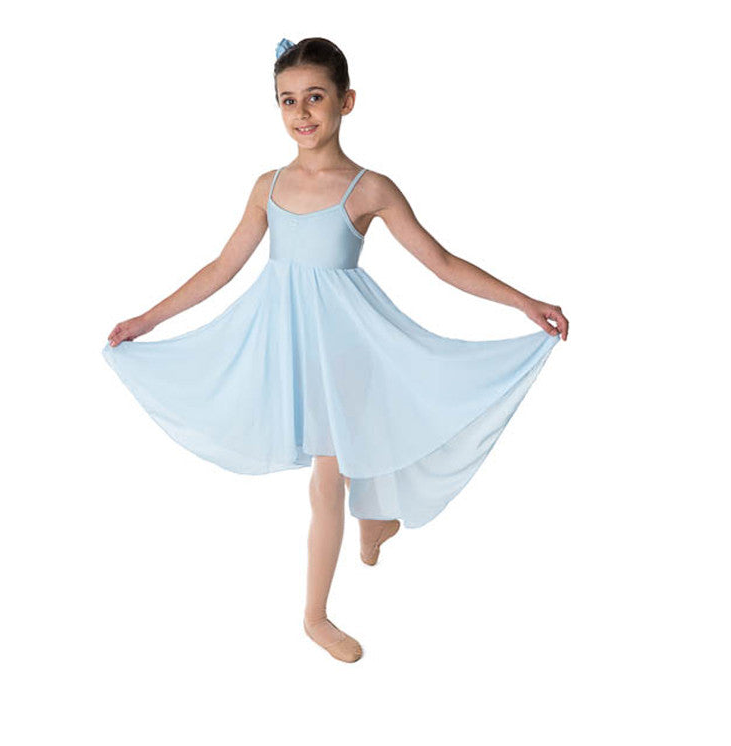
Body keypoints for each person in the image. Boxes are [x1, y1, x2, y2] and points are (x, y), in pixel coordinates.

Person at [102, 36, 569, 664]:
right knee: (346, 459)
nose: (301, 112)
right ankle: (375, 526)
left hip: (348, 345)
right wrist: (146, 319)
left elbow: (441, 261)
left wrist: (523, 302)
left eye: (315, 97)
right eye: (287, 100)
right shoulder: (267, 186)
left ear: (346, 101)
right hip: (284, 345)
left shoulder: (369, 188)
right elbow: (221, 267)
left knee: (330, 475)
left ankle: (315, 616)